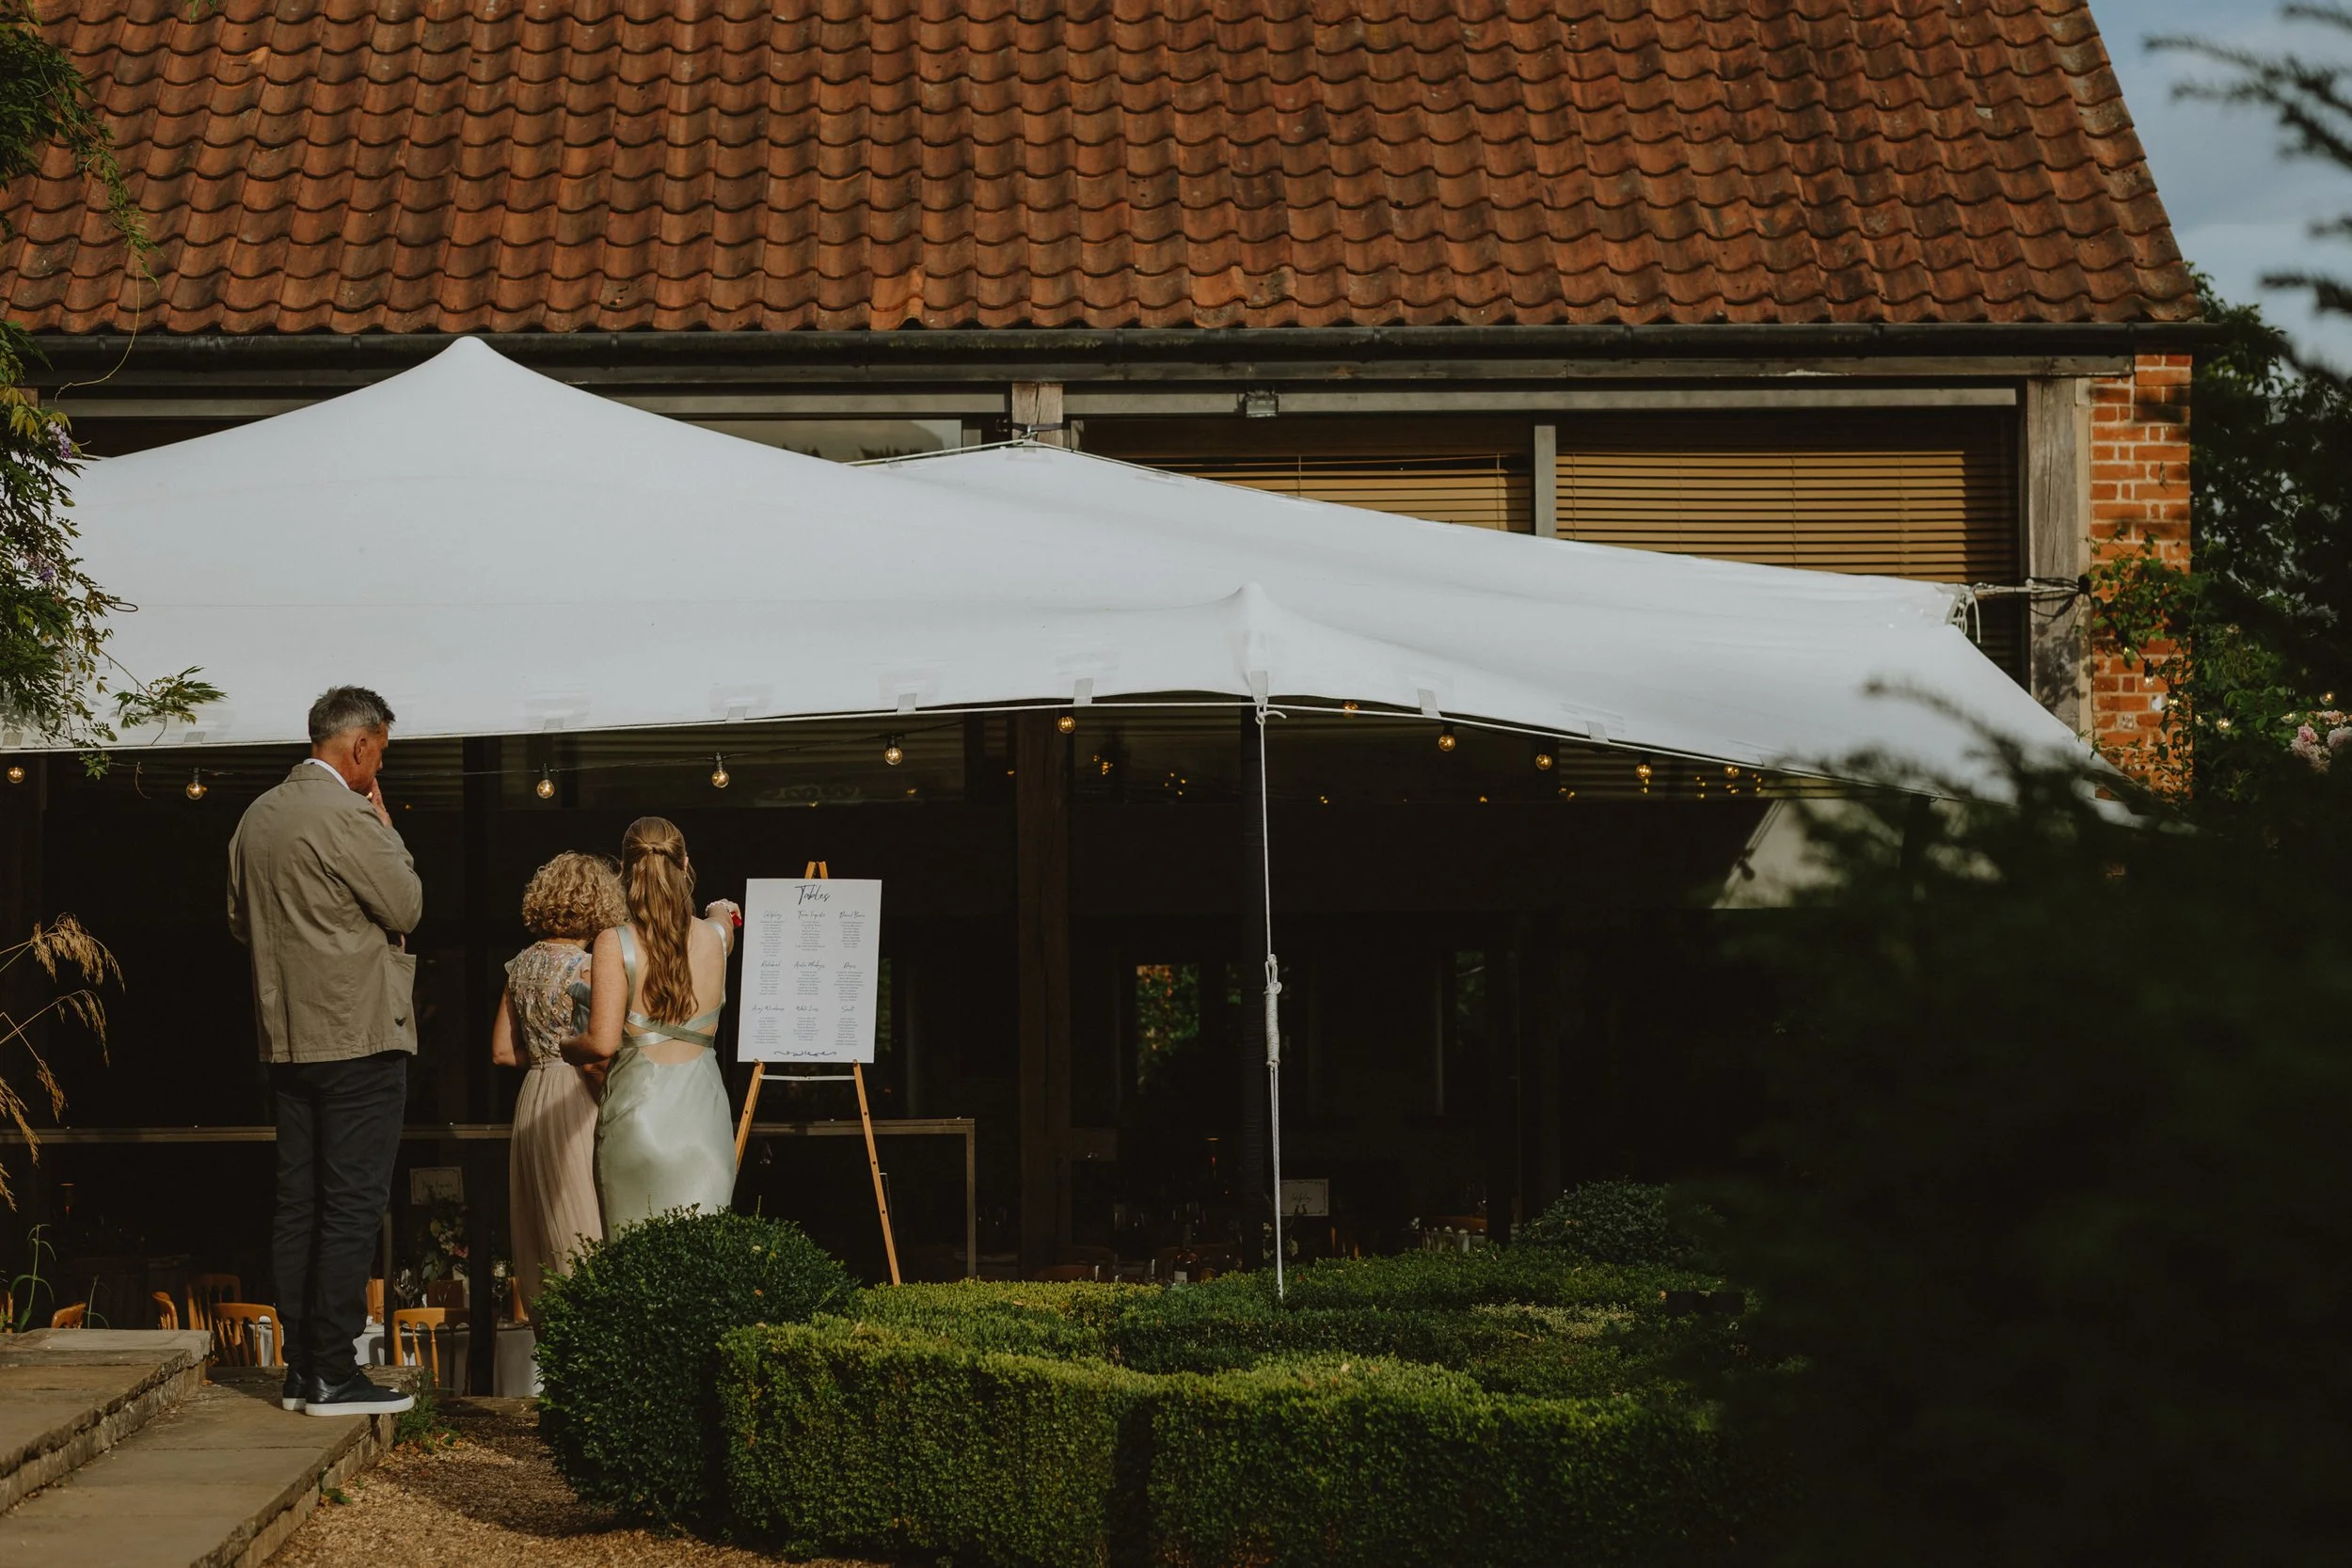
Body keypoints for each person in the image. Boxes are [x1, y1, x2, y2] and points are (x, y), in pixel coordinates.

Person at [227, 686, 420, 1418]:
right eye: (382, 756)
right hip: (359, 1034)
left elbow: (242, 923)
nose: (380, 770)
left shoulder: (256, 816)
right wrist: (387, 828)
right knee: (351, 1204)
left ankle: (302, 1367)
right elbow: (407, 905)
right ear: (361, 746)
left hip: (285, 1037)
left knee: (298, 1200)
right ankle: (334, 1371)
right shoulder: (347, 812)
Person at [564, 816, 739, 1229]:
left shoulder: (614, 942)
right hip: (704, 1128)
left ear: (624, 871)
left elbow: (601, 1044)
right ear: (685, 865)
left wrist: (565, 1046)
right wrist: (721, 908)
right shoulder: (715, 940)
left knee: (632, 1271)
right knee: (703, 1269)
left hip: (636, 1122)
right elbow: (721, 921)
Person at [493, 852, 624, 1317]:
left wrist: (544, 1053)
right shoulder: (589, 966)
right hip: (574, 1096)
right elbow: (599, 1049)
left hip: (533, 1097)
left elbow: (503, 1052)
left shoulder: (520, 966)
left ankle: (553, 1343)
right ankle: (590, 1345)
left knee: (540, 1232)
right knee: (583, 1227)